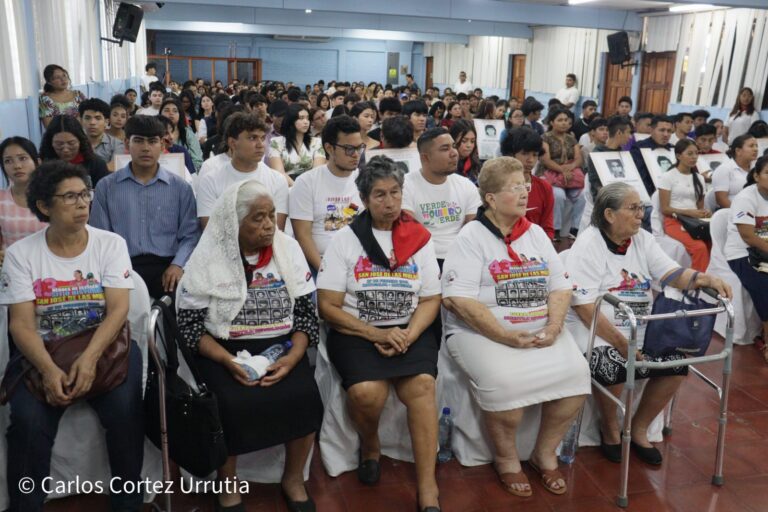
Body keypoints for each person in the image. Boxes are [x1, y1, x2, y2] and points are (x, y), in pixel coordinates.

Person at [442, 156, 590, 497]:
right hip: (481, 332)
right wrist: (505, 336)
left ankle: (544, 452)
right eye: (515, 188)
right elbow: (458, 300)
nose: (526, 193)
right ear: (491, 198)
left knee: (577, 378)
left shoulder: (535, 233)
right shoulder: (471, 237)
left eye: (526, 186)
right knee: (506, 386)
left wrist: (553, 328)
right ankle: (507, 460)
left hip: (540, 327)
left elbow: (560, 285)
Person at [1, 161, 143, 512]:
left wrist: (89, 359)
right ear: (44, 206)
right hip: (44, 352)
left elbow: (118, 311)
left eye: (85, 194)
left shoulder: (110, 244)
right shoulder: (22, 255)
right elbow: (20, 324)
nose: (82, 203)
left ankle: (127, 501)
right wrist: (49, 370)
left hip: (106, 348)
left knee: (126, 413)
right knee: (28, 423)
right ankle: (26, 504)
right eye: (70, 197)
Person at [177, 180, 323, 512]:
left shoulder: (288, 248)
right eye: (258, 218)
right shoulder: (210, 255)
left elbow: (305, 315)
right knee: (228, 402)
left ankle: (293, 478)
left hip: (281, 345)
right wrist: (228, 361)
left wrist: (294, 356)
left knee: (304, 396)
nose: (269, 225)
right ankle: (228, 484)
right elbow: (190, 328)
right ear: (234, 221)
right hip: (222, 347)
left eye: (271, 215)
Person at [566, 182, 731, 465]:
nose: (641, 214)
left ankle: (638, 428)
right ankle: (609, 429)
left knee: (677, 363)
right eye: (633, 208)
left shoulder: (641, 239)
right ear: (609, 214)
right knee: (613, 364)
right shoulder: (589, 243)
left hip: (642, 326)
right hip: (599, 329)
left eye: (641, 207)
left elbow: (671, 274)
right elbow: (583, 307)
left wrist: (706, 278)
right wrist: (621, 342)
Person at [317, 156, 442, 512]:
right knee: (367, 393)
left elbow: (432, 298)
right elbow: (328, 305)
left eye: (395, 193)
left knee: (421, 386)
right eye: (380, 195)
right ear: (365, 199)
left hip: (409, 330)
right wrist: (376, 334)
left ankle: (428, 485)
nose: (389, 202)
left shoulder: (419, 238)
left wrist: (408, 333)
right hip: (357, 331)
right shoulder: (346, 239)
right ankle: (370, 444)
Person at [90, 115, 200, 300]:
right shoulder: (107, 187)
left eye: (152, 141)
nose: (146, 148)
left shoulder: (180, 188)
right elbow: (100, 236)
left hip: (168, 266)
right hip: (122, 268)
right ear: (127, 143)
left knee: (175, 318)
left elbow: (190, 235)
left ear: (163, 145)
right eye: (138, 141)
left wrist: (178, 265)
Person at [290, 115, 364, 273]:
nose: (356, 154)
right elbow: (303, 236)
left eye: (359, 148)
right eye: (349, 149)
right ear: (329, 148)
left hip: (360, 262)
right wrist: (325, 272)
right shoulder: (306, 183)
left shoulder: (365, 180)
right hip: (321, 262)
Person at [197, 113, 289, 230]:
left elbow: (276, 231)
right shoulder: (210, 180)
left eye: (262, 138)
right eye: (252, 138)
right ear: (232, 143)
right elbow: (209, 232)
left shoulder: (277, 180)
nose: (260, 145)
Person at [403, 128, 481, 265]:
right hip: (421, 256)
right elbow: (409, 231)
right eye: (445, 149)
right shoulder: (405, 185)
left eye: (454, 146)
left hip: (461, 255)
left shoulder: (466, 185)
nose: (454, 153)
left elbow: (473, 229)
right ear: (425, 158)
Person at [724, 156, 768, 361]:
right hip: (743, 253)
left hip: (764, 251)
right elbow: (748, 236)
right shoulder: (746, 198)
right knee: (764, 283)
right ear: (757, 175)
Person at [657, 139, 711, 271]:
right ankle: (699, 282)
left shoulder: (699, 178)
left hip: (695, 222)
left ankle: (710, 278)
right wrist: (690, 212)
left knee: (712, 243)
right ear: (678, 156)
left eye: (696, 153)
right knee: (700, 247)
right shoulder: (667, 177)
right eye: (690, 154)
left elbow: (699, 208)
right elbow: (665, 209)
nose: (694, 157)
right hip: (674, 222)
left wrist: (705, 213)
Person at [500, 127, 555, 239]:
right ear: (511, 153)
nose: (530, 160)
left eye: (535, 155)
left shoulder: (545, 188)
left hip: (535, 248)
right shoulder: (498, 185)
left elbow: (548, 228)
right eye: (525, 153)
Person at [541, 108, 585, 241]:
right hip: (550, 174)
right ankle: (555, 229)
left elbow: (579, 159)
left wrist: (569, 168)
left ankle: (575, 228)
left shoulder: (572, 139)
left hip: (570, 176)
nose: (564, 123)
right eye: (560, 120)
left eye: (566, 120)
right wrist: (562, 170)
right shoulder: (545, 138)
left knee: (582, 196)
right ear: (552, 122)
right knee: (558, 195)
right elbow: (546, 160)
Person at [0, 137, 48, 251]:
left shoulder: (52, 196)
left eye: (23, 158)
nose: (17, 166)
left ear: (38, 162)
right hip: (11, 265)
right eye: (8, 161)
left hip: (48, 264)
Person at [40, 115, 109, 189]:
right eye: (59, 144)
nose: (65, 149)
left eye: (71, 143)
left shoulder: (96, 164)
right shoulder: (43, 164)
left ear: (80, 141)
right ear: (50, 143)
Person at [267, 104, 326, 180]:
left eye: (307, 118)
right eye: (301, 118)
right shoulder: (276, 143)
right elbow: (279, 173)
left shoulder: (317, 142)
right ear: (291, 120)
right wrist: (296, 188)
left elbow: (317, 171)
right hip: (285, 186)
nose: (306, 122)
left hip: (310, 185)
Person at [585, 116, 632, 202]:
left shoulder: (624, 154)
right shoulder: (597, 154)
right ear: (619, 133)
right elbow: (596, 184)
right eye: (628, 132)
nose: (630, 137)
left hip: (623, 195)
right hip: (606, 199)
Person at [629, 115, 674, 202]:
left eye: (669, 131)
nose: (666, 134)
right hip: (648, 196)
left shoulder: (674, 149)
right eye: (662, 130)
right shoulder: (639, 148)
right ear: (651, 130)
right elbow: (640, 177)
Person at [711, 134, 759, 209]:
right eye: (751, 146)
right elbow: (721, 200)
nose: (756, 149)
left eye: (756, 146)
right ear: (738, 151)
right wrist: (740, 214)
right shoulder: (724, 169)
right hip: (731, 213)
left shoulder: (757, 168)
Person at [79, 98, 125, 170]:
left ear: (106, 122)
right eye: (87, 118)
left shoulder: (117, 144)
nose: (92, 123)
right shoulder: (75, 142)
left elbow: (114, 168)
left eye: (98, 118)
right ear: (81, 121)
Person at [160, 98, 203, 172]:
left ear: (180, 115)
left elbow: (197, 161)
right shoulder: (154, 133)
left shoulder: (187, 133)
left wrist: (187, 173)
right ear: (160, 113)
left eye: (175, 111)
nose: (171, 113)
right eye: (167, 110)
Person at [38, 64, 87, 129]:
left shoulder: (78, 95)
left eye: (64, 75)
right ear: (49, 82)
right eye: (57, 77)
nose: (63, 79)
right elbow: (49, 127)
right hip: (60, 138)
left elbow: (88, 116)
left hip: (81, 135)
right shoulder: (46, 100)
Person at [450, 120, 481, 184]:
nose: (469, 145)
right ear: (453, 139)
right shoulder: (445, 166)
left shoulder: (476, 164)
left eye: (472, 141)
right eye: (464, 141)